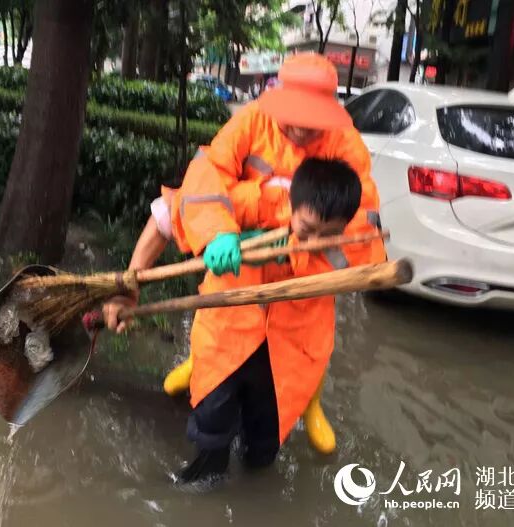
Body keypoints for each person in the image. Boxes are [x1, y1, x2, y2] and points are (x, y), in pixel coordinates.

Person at [102, 52, 385, 476]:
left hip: (297, 312)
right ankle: (203, 474)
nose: (302, 128)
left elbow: (361, 236)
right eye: (293, 116)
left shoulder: (348, 149)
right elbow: (192, 193)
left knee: (268, 432)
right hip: (231, 303)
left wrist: (285, 233)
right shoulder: (250, 123)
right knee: (211, 417)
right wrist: (220, 232)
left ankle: (303, 410)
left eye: (312, 119)